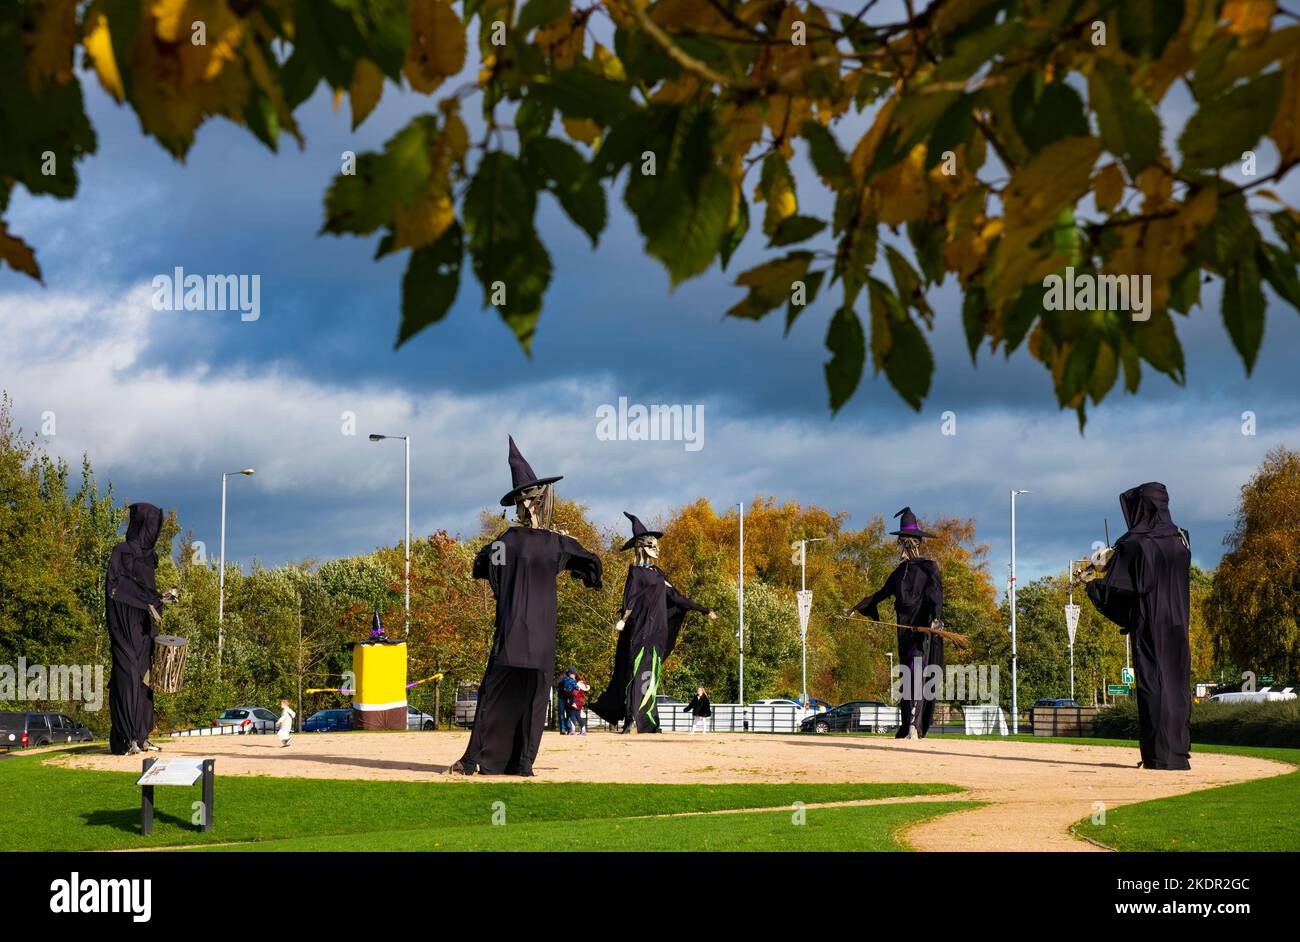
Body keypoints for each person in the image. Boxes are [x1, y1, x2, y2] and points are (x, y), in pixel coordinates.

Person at [449, 437, 602, 777]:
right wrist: (569, 556)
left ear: (522, 504)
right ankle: (522, 763)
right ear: (537, 502)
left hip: (511, 633)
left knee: (492, 695)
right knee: (534, 701)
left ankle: (474, 759)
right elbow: (590, 563)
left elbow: (480, 564)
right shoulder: (556, 544)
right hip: (542, 638)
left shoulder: (507, 542)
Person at [1085, 482, 1192, 770]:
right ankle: (1179, 754)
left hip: (1151, 620)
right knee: (1176, 683)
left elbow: (1123, 588)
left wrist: (1094, 584)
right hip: (1179, 621)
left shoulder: (1135, 543)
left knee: (1153, 682)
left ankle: (1158, 755)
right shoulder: (1182, 539)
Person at [592, 512, 715, 734]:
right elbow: (628, 598)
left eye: (656, 544)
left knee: (651, 678)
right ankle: (630, 719)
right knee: (635, 674)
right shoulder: (636, 573)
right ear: (640, 547)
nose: (656, 548)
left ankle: (649, 722)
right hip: (639, 632)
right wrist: (623, 619)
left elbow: (676, 597)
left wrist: (704, 610)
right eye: (651, 544)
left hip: (657, 633)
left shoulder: (658, 574)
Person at [849, 507, 944, 740]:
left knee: (916, 674)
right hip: (904, 633)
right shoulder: (900, 572)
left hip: (921, 633)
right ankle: (908, 724)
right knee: (908, 676)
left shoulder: (929, 568)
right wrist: (858, 606)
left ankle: (915, 725)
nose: (897, 548)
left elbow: (935, 596)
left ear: (907, 543)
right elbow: (881, 594)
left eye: (900, 543)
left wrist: (936, 618)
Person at [105, 502, 177, 755]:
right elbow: (117, 587)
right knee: (127, 677)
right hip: (125, 627)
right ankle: (126, 738)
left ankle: (142, 735)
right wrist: (151, 599)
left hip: (145, 628)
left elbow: (146, 590)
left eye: (157, 526)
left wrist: (161, 599)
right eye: (151, 525)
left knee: (145, 682)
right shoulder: (122, 551)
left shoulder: (149, 557)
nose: (154, 531)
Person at [556, 668, 577, 733]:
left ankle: (568, 729)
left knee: (569, 713)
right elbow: (556, 684)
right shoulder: (563, 676)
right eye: (571, 673)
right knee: (561, 714)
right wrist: (563, 688)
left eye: (573, 673)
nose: (572, 674)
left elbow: (575, 686)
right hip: (561, 698)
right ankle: (562, 729)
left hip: (569, 698)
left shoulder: (573, 677)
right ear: (568, 672)